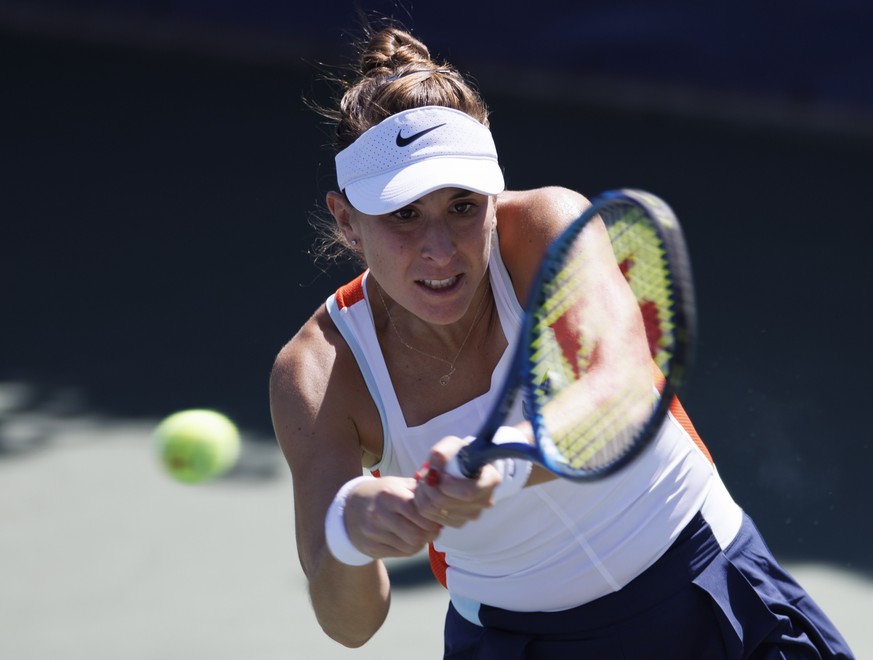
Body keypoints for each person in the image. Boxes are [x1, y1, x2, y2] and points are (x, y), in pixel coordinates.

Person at [269, 22, 854, 659]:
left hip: (704, 580)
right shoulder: (317, 373)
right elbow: (348, 624)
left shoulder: (548, 229)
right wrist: (352, 533)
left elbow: (625, 390)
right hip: (520, 641)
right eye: (404, 215)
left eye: (463, 206)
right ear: (347, 221)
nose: (440, 251)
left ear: (495, 195)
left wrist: (507, 457)